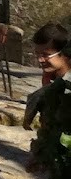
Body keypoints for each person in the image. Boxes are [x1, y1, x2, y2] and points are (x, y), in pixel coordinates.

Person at [26, 23, 71, 166]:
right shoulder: (53, 83)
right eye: (38, 54)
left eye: (45, 55)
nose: (40, 60)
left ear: (64, 55)